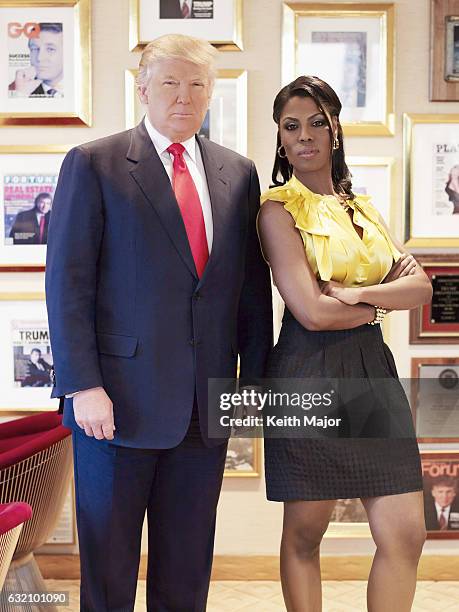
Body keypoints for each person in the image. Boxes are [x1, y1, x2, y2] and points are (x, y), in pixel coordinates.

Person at [45, 33, 272, 611]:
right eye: (170, 82)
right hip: (114, 409)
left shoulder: (238, 172)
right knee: (109, 571)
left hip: (204, 409)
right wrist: (82, 385)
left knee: (187, 570)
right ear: (143, 88)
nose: (183, 96)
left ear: (210, 93)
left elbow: (249, 289)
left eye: (196, 84)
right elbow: (67, 286)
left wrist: (252, 387)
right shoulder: (94, 163)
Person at [257, 75, 432, 612]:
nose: (304, 135)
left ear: (335, 130)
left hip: (371, 372)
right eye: (291, 126)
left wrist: (358, 294)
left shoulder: (362, 209)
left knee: (405, 533)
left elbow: (421, 286)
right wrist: (381, 301)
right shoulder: (276, 210)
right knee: (307, 533)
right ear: (281, 140)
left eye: (316, 122)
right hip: (308, 371)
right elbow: (310, 311)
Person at [8, 22, 63, 97]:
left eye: (50, 49)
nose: (39, 58)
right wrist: (20, 95)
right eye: (34, 49)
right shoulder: (15, 91)